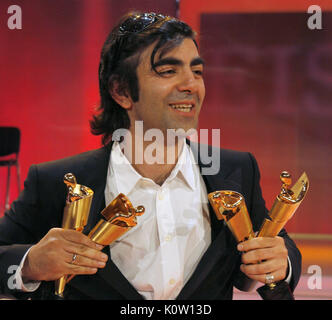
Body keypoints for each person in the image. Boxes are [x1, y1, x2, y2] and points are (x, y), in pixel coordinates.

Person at [0, 12, 301, 300]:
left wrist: (282, 264)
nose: (191, 85)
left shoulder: (236, 171)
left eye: (197, 71)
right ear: (121, 91)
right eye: (168, 71)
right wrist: (30, 263)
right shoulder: (57, 181)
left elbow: (274, 249)